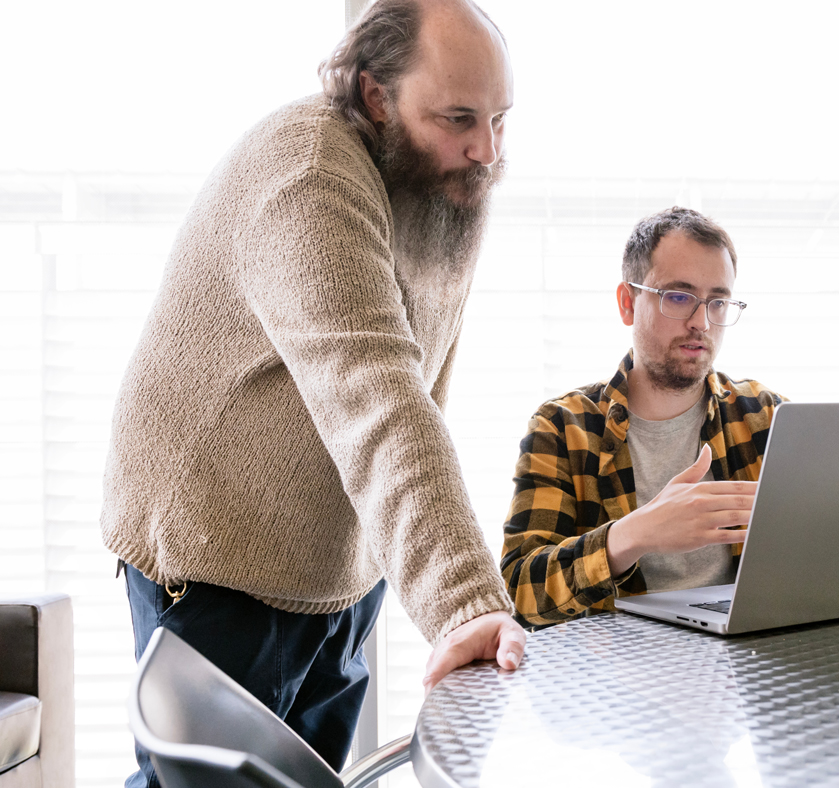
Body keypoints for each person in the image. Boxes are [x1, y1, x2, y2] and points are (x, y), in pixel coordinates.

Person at [100, 1, 525, 782]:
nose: (486, 149)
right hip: (215, 550)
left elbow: (422, 383)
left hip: (336, 563)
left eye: (502, 118)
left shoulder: (445, 177)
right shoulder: (307, 174)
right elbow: (382, 399)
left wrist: (406, 564)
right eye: (460, 117)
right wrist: (467, 603)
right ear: (374, 95)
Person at [501, 207, 784, 625]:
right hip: (616, 676)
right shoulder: (562, 427)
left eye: (718, 302)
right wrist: (635, 534)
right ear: (627, 303)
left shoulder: (766, 417)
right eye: (679, 297)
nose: (701, 322)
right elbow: (521, 592)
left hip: (746, 667)